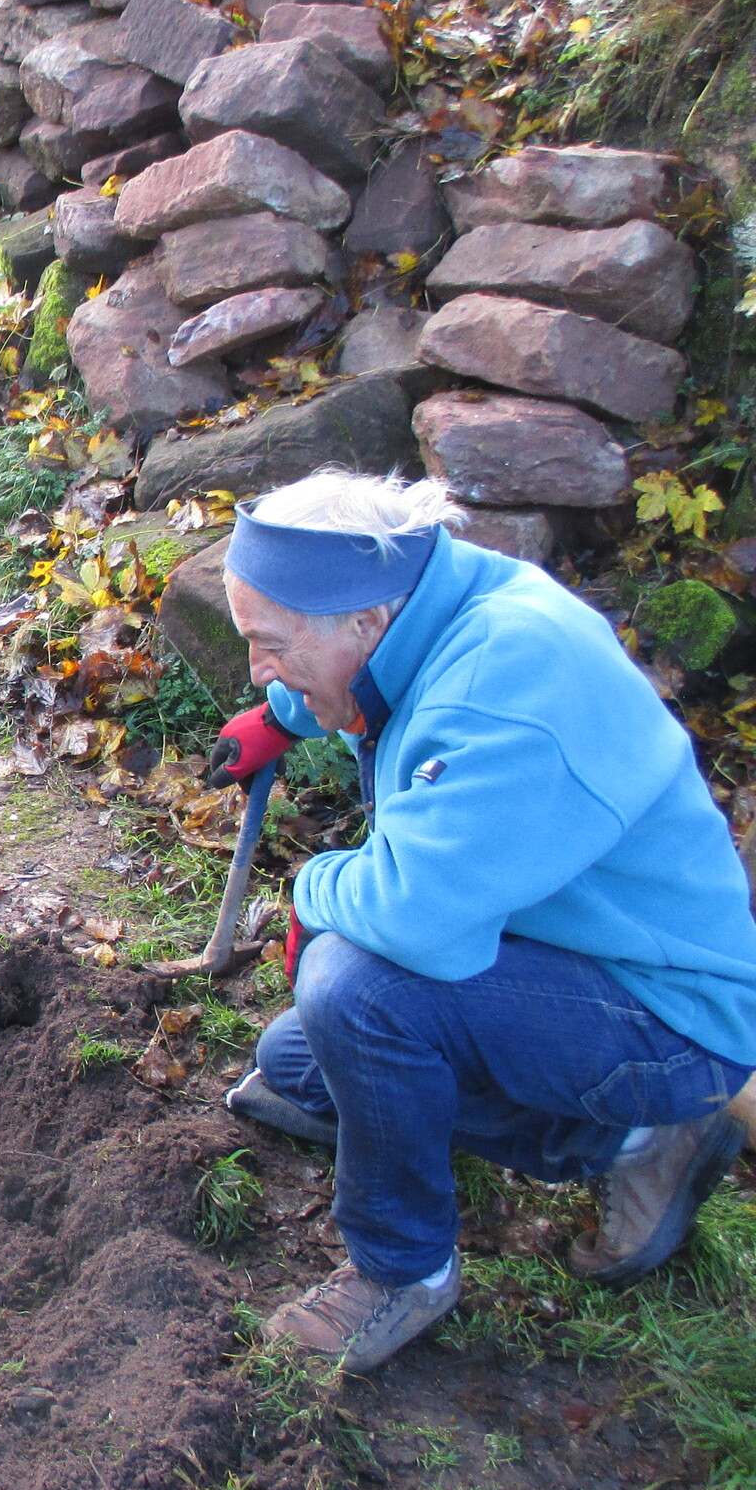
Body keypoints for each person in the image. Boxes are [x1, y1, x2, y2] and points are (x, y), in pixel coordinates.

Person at [202, 471, 755, 1372]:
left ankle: (402, 1271)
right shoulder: (426, 604)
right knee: (298, 1064)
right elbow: (364, 675)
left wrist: (311, 892)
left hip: (662, 1008)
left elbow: (414, 919)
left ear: (365, 620)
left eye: (269, 646)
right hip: (555, 939)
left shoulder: (507, 682)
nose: (258, 665)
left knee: (355, 992)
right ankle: (629, 1140)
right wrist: (282, 713)